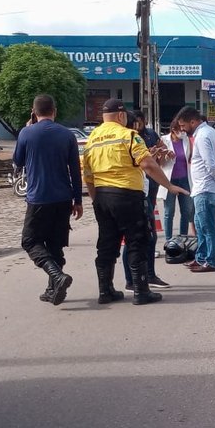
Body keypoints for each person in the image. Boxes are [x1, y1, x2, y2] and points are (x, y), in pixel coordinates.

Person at [83, 99, 187, 305]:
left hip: (102, 197)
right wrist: (169, 186)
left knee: (106, 244)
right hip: (127, 195)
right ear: (121, 116)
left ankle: (106, 291)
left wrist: (97, 201)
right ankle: (141, 291)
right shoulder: (129, 135)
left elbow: (87, 176)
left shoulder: (91, 140)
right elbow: (148, 164)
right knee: (137, 240)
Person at [13, 95, 83, 306]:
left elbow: (18, 161)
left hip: (38, 198)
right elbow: (75, 171)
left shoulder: (27, 133)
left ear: (33, 113)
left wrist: (26, 131)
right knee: (55, 245)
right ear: (55, 111)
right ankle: (53, 289)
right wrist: (78, 199)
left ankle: (57, 276)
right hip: (63, 198)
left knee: (30, 241)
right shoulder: (67, 135)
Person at [174, 106, 215, 272]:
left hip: (206, 188)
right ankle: (201, 257)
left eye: (183, 126)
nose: (182, 130)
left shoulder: (203, 136)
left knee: (207, 227)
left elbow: (210, 163)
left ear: (193, 121)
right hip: (203, 188)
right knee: (200, 226)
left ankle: (211, 261)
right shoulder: (210, 133)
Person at [120, 111, 169, 291]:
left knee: (147, 237)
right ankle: (133, 280)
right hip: (135, 194)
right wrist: (170, 186)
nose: (139, 127)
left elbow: (155, 162)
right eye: (136, 124)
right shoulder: (130, 139)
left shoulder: (148, 135)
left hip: (146, 191)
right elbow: (144, 164)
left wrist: (157, 154)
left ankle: (146, 276)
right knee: (135, 239)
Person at [158, 116, 195, 241]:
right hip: (169, 180)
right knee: (169, 212)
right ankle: (169, 239)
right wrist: (166, 155)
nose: (182, 132)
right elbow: (161, 163)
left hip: (184, 179)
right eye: (180, 130)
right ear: (173, 130)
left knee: (186, 211)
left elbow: (190, 158)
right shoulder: (164, 140)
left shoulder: (186, 140)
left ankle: (183, 238)